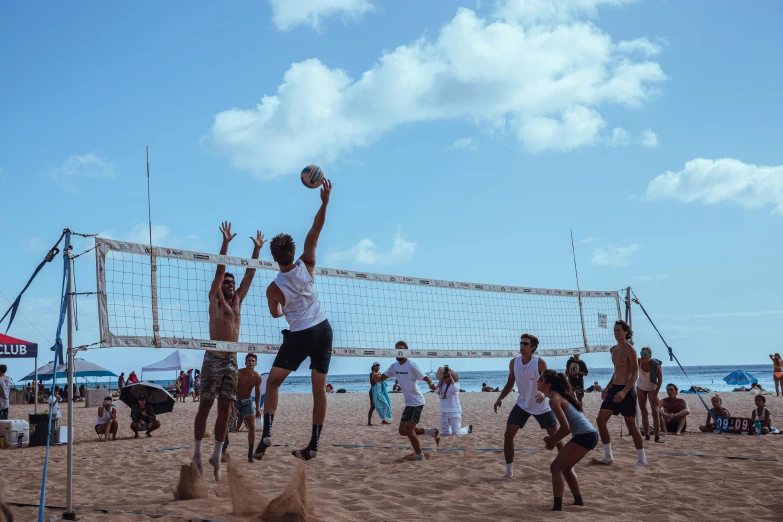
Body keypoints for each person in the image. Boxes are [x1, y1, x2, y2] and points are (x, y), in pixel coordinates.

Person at [259, 180, 334, 462]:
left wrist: (283, 313)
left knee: (274, 383)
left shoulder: (273, 288)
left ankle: (268, 430)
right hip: (323, 330)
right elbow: (316, 229)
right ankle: (313, 444)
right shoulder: (308, 263)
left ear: (274, 257)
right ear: (292, 252)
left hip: (300, 334)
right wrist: (324, 202)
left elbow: (275, 313)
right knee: (318, 390)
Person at [193, 222, 265, 481]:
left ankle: (216, 455)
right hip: (214, 358)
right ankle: (197, 454)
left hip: (232, 361)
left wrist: (256, 251)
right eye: (227, 282)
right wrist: (225, 244)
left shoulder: (237, 301)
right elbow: (220, 269)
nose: (231, 284)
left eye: (231, 282)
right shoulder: (215, 299)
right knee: (205, 407)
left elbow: (249, 276)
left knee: (225, 410)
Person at [494, 334, 561, 480]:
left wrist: (544, 395)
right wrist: (500, 398)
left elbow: (549, 382)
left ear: (533, 348)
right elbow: (510, 382)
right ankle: (509, 471)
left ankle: (566, 466)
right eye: (521, 343)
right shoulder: (514, 362)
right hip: (522, 404)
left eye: (525, 344)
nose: (522, 346)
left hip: (540, 405)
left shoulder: (539, 362)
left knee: (556, 437)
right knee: (508, 435)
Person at [537, 370, 598, 511]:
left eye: (540, 379)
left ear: (548, 384)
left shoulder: (554, 399)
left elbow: (566, 428)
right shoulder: (554, 396)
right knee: (565, 468)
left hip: (586, 435)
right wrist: (553, 439)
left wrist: (552, 440)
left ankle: (557, 507)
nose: (537, 381)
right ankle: (578, 500)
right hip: (586, 435)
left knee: (556, 468)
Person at [377, 341, 439, 460]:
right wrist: (376, 378)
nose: (399, 352)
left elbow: (426, 378)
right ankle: (431, 432)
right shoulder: (394, 366)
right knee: (402, 430)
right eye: (397, 350)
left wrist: (431, 384)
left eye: (401, 350)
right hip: (409, 403)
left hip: (417, 402)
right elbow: (381, 378)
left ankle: (420, 456)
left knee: (409, 430)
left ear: (406, 352)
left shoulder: (412, 365)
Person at [596, 320, 646, 466]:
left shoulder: (631, 350)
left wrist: (624, 392)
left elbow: (635, 374)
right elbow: (616, 372)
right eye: (614, 330)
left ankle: (642, 459)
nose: (616, 332)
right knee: (600, 420)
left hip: (627, 389)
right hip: (614, 388)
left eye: (618, 330)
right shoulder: (613, 350)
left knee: (630, 424)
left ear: (626, 332)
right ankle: (608, 455)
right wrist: (607, 388)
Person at [232, 353, 263, 463]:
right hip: (235, 400)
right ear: (245, 362)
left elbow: (258, 394)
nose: (251, 362)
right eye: (249, 360)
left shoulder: (257, 377)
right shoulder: (238, 373)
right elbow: (231, 389)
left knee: (252, 426)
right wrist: (231, 405)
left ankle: (250, 454)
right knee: (224, 421)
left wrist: (258, 408)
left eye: (253, 361)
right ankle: (224, 447)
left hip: (247, 401)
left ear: (256, 363)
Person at [636, 347, 663, 443]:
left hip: (652, 387)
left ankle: (657, 437)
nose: (643, 355)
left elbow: (660, 380)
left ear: (650, 356)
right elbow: (628, 357)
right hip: (640, 387)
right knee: (644, 411)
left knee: (655, 412)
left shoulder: (655, 365)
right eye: (641, 353)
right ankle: (647, 435)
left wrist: (655, 394)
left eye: (645, 354)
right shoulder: (638, 361)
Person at [436, 366, 472, 436]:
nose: (445, 378)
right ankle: (451, 430)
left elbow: (455, 389)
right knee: (445, 432)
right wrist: (441, 380)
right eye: (445, 377)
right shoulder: (442, 385)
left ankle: (466, 429)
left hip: (454, 410)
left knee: (456, 433)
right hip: (443, 410)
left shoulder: (455, 384)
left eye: (447, 377)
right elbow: (436, 391)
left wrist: (451, 377)